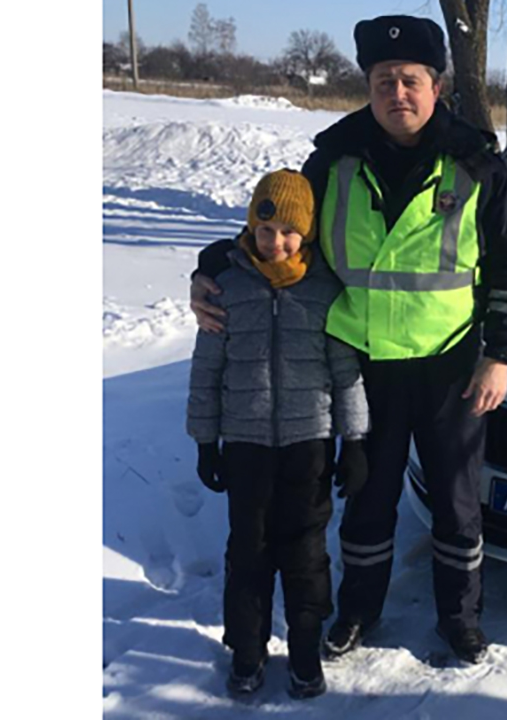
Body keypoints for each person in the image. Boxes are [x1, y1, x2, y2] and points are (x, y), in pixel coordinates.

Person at [189, 15, 507, 665]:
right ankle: (358, 609)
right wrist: (211, 267)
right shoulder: (333, 162)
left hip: (452, 368)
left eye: (410, 80)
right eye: (384, 80)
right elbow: (278, 235)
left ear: (436, 85)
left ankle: (459, 619)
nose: (396, 93)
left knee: (457, 506)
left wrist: (500, 354)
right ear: (369, 86)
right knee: (365, 500)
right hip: (357, 368)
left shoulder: (479, 166)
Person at [187, 169, 371, 698]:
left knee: (306, 554)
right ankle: (247, 650)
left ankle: (306, 650)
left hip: (308, 446)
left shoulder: (324, 291)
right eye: (266, 231)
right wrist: (205, 441)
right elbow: (207, 371)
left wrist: (354, 441)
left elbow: (345, 371)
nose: (277, 243)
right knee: (248, 551)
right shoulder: (228, 286)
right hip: (244, 446)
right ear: (251, 226)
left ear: (307, 232)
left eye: (289, 232)